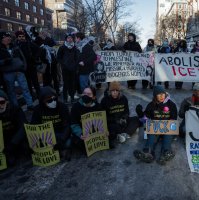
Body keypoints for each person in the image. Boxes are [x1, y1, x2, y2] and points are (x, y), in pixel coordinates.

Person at [134, 85, 177, 165]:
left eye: (163, 94)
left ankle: (165, 152)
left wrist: (166, 125)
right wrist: (140, 113)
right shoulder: (151, 105)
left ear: (165, 94)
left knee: (167, 136)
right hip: (155, 128)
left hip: (167, 128)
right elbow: (145, 119)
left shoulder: (171, 105)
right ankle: (148, 152)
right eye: (159, 94)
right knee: (152, 135)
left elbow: (174, 118)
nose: (161, 96)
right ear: (155, 96)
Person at [31, 86, 71, 160]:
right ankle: (60, 151)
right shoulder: (37, 110)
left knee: (68, 142)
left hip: (60, 134)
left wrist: (62, 138)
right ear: (42, 101)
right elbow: (34, 126)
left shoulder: (63, 107)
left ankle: (58, 150)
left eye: (55, 99)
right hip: (45, 136)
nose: (53, 102)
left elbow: (67, 125)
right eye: (49, 101)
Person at [0, 31, 34, 110]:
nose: (8, 38)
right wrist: (4, 61)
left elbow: (22, 57)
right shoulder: (1, 49)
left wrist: (23, 67)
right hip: (8, 73)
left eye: (9, 37)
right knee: (11, 91)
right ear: (2, 39)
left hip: (19, 71)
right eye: (6, 37)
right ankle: (15, 107)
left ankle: (30, 104)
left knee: (25, 88)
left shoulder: (15, 46)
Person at [101, 81, 140, 147]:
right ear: (110, 91)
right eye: (113, 90)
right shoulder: (104, 100)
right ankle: (123, 133)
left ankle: (124, 135)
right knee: (112, 130)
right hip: (112, 123)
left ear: (119, 91)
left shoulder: (123, 98)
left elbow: (126, 111)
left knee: (136, 119)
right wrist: (115, 120)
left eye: (117, 90)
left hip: (122, 121)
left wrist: (124, 117)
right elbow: (103, 117)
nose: (115, 92)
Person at [70, 86, 103, 152]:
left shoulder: (98, 106)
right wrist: (80, 134)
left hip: (96, 133)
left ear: (93, 97)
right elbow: (73, 124)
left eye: (89, 94)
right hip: (83, 133)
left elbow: (102, 121)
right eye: (84, 93)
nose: (85, 95)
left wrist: (105, 131)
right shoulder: (76, 107)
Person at [0, 89, 27, 166]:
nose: (0, 105)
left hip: (17, 139)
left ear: (7, 102)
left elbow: (23, 126)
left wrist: (13, 142)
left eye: (2, 102)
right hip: (4, 142)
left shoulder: (15, 109)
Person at [15, 30, 40, 99]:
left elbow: (38, 49)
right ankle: (31, 96)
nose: (22, 38)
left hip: (31, 66)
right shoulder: (15, 45)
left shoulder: (29, 43)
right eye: (19, 36)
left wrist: (35, 58)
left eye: (23, 36)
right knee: (28, 83)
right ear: (17, 37)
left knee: (35, 82)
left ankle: (39, 95)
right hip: (23, 68)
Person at [57, 33, 79, 103]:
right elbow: (58, 57)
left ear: (72, 39)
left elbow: (77, 58)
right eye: (68, 38)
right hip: (65, 69)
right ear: (66, 39)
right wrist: (63, 64)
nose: (70, 39)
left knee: (72, 84)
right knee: (65, 84)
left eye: (71, 38)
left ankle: (72, 97)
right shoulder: (62, 47)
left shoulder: (75, 48)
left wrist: (75, 65)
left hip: (73, 69)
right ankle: (65, 98)